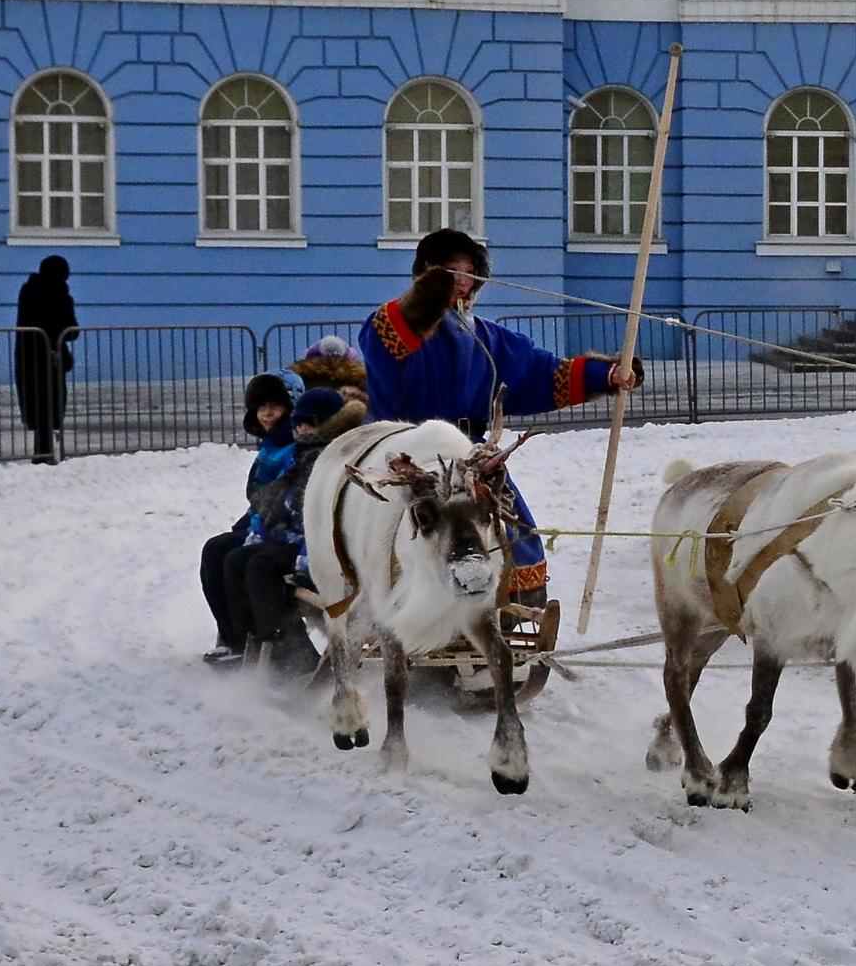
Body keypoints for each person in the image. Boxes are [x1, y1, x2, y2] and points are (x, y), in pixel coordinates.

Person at [358, 228, 642, 617]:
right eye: (449, 270)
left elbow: (542, 374)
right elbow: (389, 338)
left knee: (511, 532)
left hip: (470, 455)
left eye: (468, 271)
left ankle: (504, 614)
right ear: (425, 273)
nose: (461, 280)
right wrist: (427, 297)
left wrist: (605, 375)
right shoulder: (391, 326)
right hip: (407, 455)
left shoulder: (490, 338)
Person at [224, 386, 362, 678]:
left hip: (322, 548)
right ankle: (259, 640)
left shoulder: (330, 458)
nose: (300, 428)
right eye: (298, 422)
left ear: (328, 423)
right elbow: (282, 505)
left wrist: (301, 559)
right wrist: (261, 529)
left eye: (308, 422)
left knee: (260, 567)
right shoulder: (303, 453)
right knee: (237, 559)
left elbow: (321, 516)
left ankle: (292, 652)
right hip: (297, 539)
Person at [199, 370, 303, 664]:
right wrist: (247, 524)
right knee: (215, 549)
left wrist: (254, 529)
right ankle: (234, 636)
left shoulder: (292, 446)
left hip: (282, 532)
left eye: (276, 407)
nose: (268, 414)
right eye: (261, 408)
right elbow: (260, 499)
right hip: (265, 526)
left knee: (232, 556)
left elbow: (282, 499)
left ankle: (254, 640)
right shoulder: (271, 445)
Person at [14, 255, 78, 463]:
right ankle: (46, 453)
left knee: (38, 403)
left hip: (28, 355)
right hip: (50, 357)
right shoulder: (59, 294)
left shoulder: (28, 291)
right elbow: (71, 331)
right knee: (51, 403)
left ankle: (42, 451)